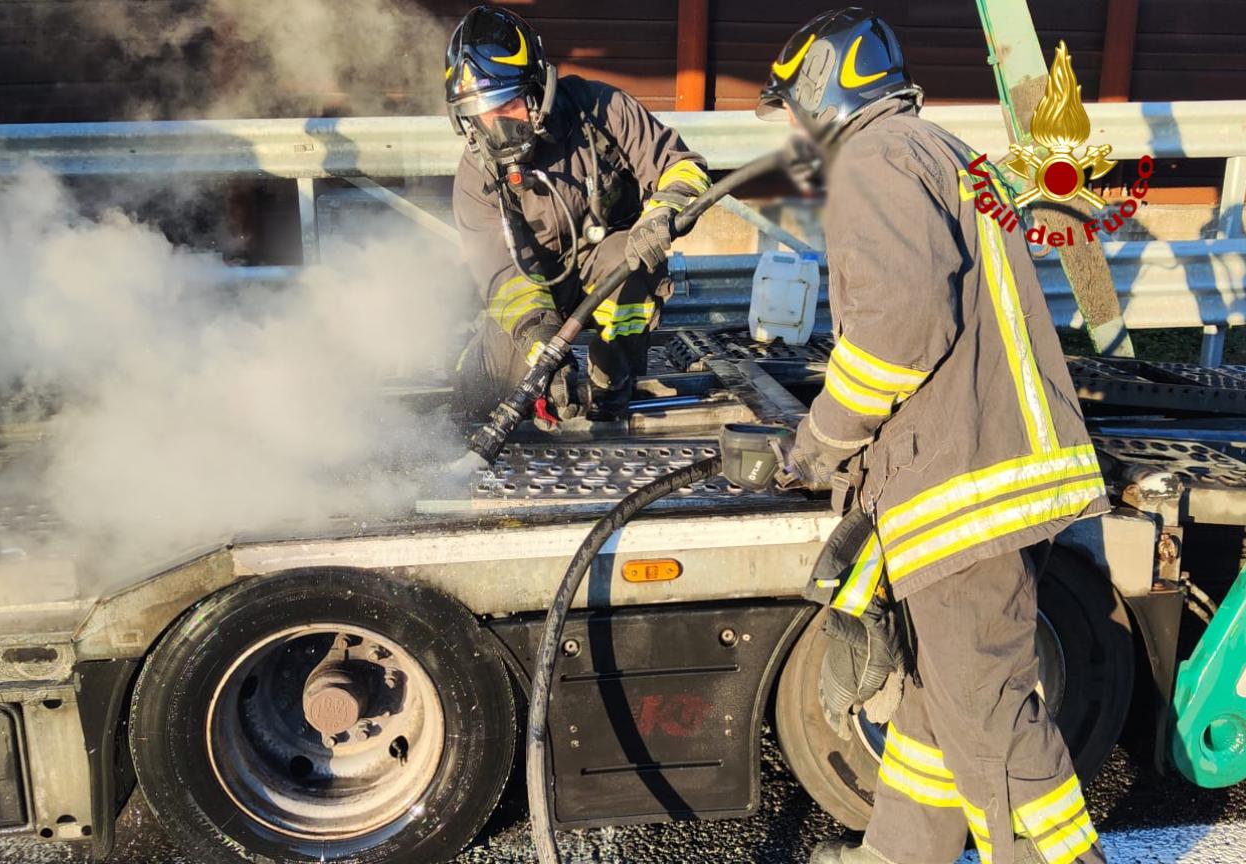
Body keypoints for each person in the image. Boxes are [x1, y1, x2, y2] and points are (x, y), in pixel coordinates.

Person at [760, 9, 1110, 864]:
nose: (796, 136)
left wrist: (819, 441)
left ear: (822, 93)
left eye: (794, 113)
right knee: (935, 707)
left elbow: (900, 331)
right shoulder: (944, 151)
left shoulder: (871, 162)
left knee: (988, 722)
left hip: (961, 491)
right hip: (988, 478)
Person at [445, 6, 709, 424]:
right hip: (533, 283)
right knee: (483, 393)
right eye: (480, 113)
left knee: (631, 261)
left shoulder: (602, 109)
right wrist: (542, 343)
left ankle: (611, 381)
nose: (495, 125)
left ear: (538, 92)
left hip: (604, 267)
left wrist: (661, 214)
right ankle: (485, 379)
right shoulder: (475, 174)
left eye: (507, 104)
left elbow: (682, 166)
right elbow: (500, 275)